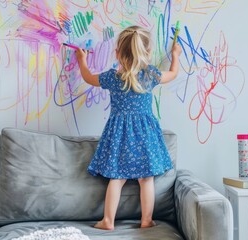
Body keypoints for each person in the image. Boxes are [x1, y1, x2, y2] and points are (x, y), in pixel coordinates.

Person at [75, 25, 182, 230]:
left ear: (117, 53)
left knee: (117, 177)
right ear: (148, 53)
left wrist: (82, 60)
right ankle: (146, 220)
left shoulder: (112, 78)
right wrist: (175, 55)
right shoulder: (151, 75)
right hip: (145, 134)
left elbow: (88, 77)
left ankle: (108, 220)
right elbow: (173, 73)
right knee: (146, 179)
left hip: (119, 134)